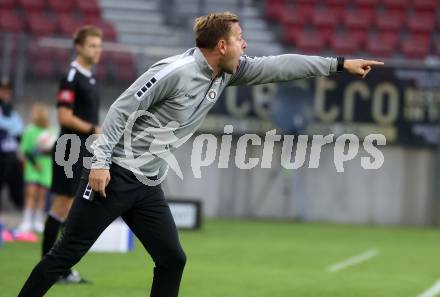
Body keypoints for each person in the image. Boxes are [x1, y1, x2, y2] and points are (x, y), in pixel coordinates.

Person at [17, 12, 383, 297]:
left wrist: (338, 63)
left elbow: (280, 66)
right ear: (221, 46)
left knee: (172, 259)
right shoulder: (173, 72)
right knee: (64, 256)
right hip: (113, 174)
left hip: (146, 184)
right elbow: (120, 109)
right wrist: (98, 163)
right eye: (240, 39)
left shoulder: (227, 72)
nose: (246, 44)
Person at [41, 25, 102, 284]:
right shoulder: (71, 76)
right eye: (92, 46)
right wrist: (93, 128)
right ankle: (51, 268)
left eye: (99, 46)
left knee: (72, 208)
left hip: (83, 148)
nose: (97, 51)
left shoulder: (89, 77)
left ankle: (61, 269)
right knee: (62, 206)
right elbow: (63, 116)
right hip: (69, 147)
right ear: (78, 46)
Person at [18, 103, 55, 233]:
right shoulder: (30, 130)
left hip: (46, 168)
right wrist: (34, 163)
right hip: (33, 167)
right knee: (31, 193)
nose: (32, 115)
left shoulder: (51, 131)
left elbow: (54, 150)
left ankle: (38, 221)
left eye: (35, 112)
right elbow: (24, 150)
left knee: (42, 196)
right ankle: (26, 221)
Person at [0, 78, 24, 213]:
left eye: (7, 91)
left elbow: (18, 131)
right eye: (2, 90)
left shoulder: (10, 110)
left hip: (10, 155)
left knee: (17, 189)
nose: (5, 94)